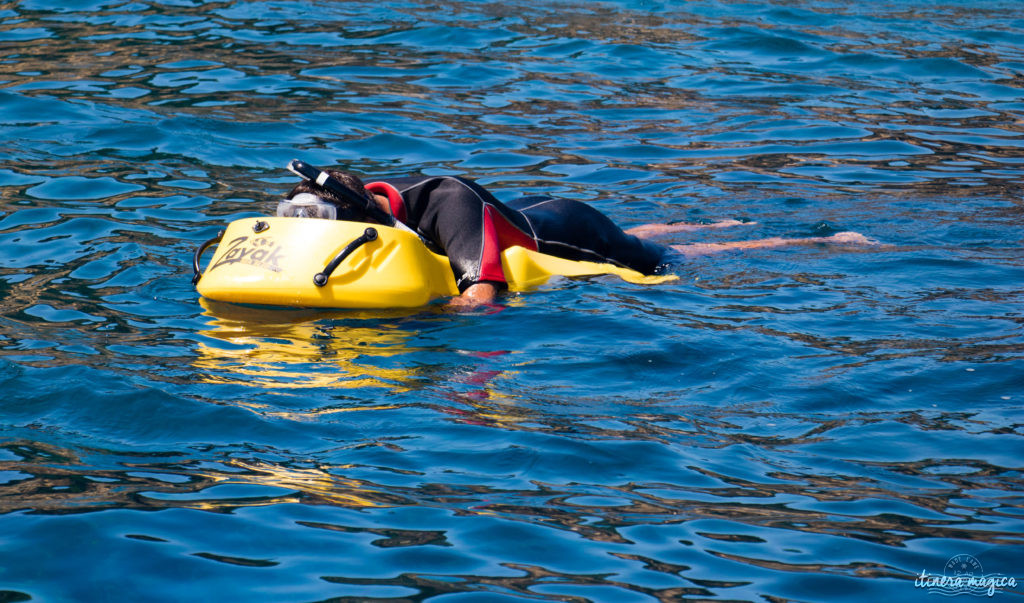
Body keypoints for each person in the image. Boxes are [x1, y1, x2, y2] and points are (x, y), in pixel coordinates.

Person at [284, 170, 873, 306]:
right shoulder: (389, 204)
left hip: (572, 232)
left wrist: (424, 320)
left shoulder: (448, 206)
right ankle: (714, 218)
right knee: (639, 232)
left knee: (673, 257)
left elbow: (481, 298)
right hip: (536, 210)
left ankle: (821, 239)